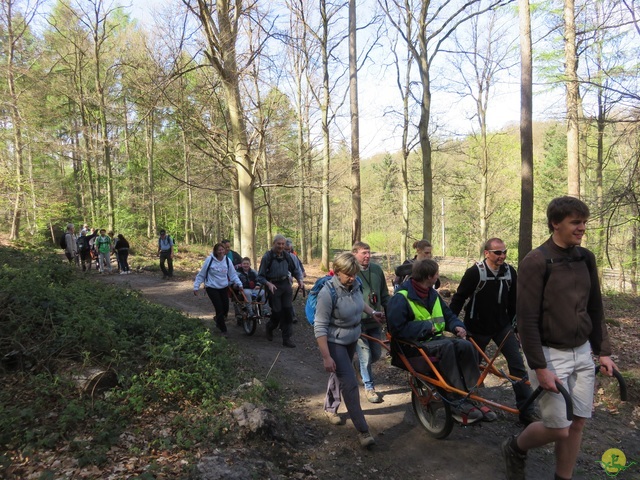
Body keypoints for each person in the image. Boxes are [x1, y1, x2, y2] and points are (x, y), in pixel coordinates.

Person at [501, 196, 617, 480]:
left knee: (577, 422)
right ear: (555, 223)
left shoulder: (585, 257)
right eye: (575, 222)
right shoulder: (536, 260)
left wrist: (602, 351)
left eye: (584, 223)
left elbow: (594, 306)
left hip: (582, 351)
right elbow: (526, 319)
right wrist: (539, 367)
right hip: (549, 354)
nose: (582, 228)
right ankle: (515, 447)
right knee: (558, 428)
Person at [449, 237, 536, 425]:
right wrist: (451, 324)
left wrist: (517, 327)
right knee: (471, 367)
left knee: (517, 366)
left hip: (502, 327)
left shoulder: (510, 272)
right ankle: (466, 404)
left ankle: (527, 410)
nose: (502, 256)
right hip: (476, 328)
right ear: (487, 253)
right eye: (498, 252)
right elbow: (459, 298)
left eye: (504, 252)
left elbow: (515, 301)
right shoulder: (474, 273)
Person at [386, 258, 483, 422]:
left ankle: (473, 394)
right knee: (448, 346)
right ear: (429, 277)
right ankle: (455, 400)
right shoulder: (401, 298)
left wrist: (457, 326)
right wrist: (424, 327)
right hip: (413, 347)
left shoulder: (432, 294)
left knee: (465, 345)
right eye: (437, 273)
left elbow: (449, 316)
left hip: (434, 342)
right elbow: (396, 329)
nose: (438, 276)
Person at [314, 252, 382, 448]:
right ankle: (363, 430)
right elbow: (320, 327)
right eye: (349, 275)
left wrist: (373, 312)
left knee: (339, 375)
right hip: (335, 342)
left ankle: (329, 408)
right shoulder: (328, 293)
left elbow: (360, 304)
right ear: (337, 272)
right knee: (350, 383)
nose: (353, 278)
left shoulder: (355, 284)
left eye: (355, 274)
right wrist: (326, 356)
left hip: (353, 336)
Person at [352, 241, 390, 403]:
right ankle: (369, 388)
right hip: (357, 322)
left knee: (375, 354)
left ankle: (358, 367)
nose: (367, 256)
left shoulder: (376, 270)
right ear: (354, 254)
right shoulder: (351, 272)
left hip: (375, 320)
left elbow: (384, 294)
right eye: (363, 253)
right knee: (365, 355)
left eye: (369, 253)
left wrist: (391, 312)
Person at [257, 234, 303, 348]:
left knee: (287, 311)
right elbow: (260, 276)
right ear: (274, 243)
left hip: (285, 285)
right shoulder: (267, 257)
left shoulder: (287, 256)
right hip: (273, 285)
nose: (281, 246)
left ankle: (286, 338)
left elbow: (295, 270)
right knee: (277, 312)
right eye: (279, 244)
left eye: (283, 244)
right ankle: (270, 327)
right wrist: (268, 283)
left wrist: (300, 280)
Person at [194, 243, 243, 336]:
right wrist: (196, 286)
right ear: (215, 251)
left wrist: (239, 284)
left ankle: (218, 319)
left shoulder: (227, 261)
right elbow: (202, 274)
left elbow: (233, 274)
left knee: (225, 308)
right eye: (219, 250)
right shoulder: (210, 260)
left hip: (223, 287)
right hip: (211, 287)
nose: (221, 252)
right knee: (219, 308)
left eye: (222, 250)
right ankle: (223, 330)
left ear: (225, 251)